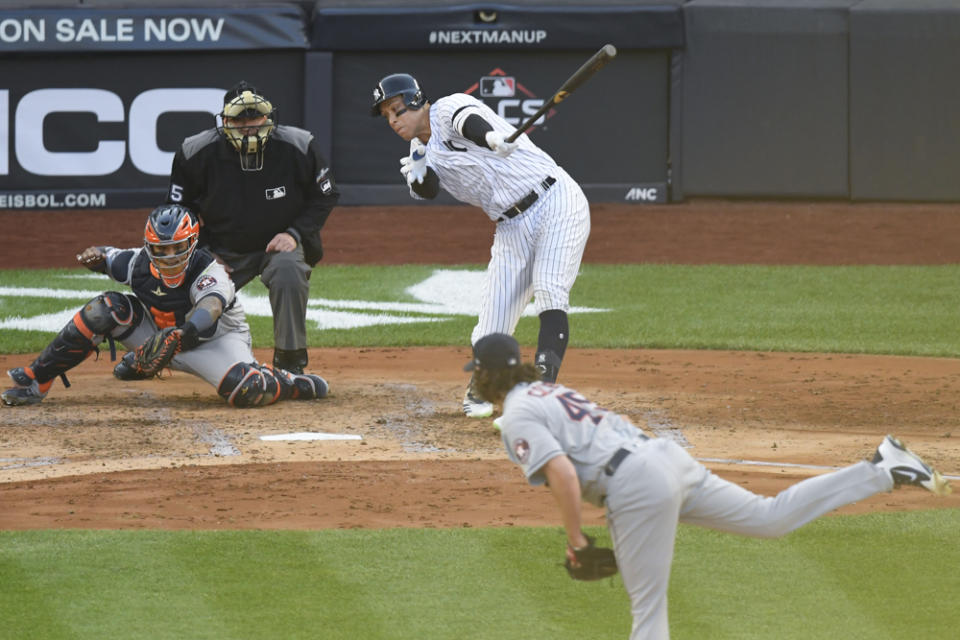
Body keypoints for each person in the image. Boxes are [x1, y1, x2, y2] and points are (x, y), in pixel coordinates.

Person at [465, 332, 952, 640]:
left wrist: (575, 540)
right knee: (770, 516)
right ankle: (883, 468)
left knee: (649, 615)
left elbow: (564, 474)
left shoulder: (518, 416)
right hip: (665, 459)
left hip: (635, 486)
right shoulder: (550, 391)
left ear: (487, 376)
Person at [370, 73, 591, 419]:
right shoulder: (418, 151)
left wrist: (491, 139)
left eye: (397, 110)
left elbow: (469, 124)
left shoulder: (446, 108)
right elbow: (426, 191)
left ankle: (544, 391)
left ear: (416, 100)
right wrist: (420, 171)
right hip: (510, 225)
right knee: (490, 328)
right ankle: (486, 382)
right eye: (387, 116)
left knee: (549, 289)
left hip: (556, 199)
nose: (393, 121)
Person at [1, 204, 329, 408]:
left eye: (177, 248)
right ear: (149, 247)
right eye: (162, 249)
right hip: (162, 337)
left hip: (213, 343)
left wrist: (182, 334)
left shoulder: (211, 271)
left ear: (192, 244)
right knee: (105, 308)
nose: (170, 257)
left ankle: (288, 381)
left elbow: (211, 308)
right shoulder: (138, 263)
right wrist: (94, 257)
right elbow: (107, 256)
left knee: (247, 390)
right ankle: (37, 378)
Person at [166, 80, 339, 374]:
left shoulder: (299, 145)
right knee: (182, 298)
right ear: (224, 121)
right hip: (221, 249)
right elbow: (180, 212)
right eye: (238, 119)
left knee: (289, 272)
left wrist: (294, 234)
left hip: (277, 245)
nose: (247, 125)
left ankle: (290, 361)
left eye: (254, 116)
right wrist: (205, 251)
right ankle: (169, 353)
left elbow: (325, 196)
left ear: (268, 117)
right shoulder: (195, 152)